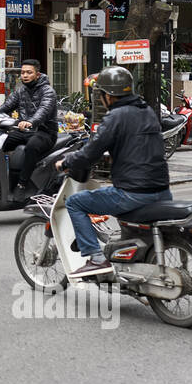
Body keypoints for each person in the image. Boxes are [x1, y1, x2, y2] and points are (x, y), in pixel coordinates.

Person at [55, 65, 173, 278]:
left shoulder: (115, 116)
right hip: (162, 190)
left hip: (133, 193)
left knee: (75, 202)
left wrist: (67, 161)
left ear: (107, 96)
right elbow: (138, 144)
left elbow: (91, 152)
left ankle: (96, 258)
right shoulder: (146, 111)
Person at [0, 59, 58, 198]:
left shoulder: (48, 91)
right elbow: (6, 106)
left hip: (44, 132)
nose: (25, 75)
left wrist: (30, 122)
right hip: (24, 131)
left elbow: (43, 111)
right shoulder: (21, 90)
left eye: (29, 72)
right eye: (22, 72)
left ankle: (22, 184)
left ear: (37, 75)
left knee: (31, 147)